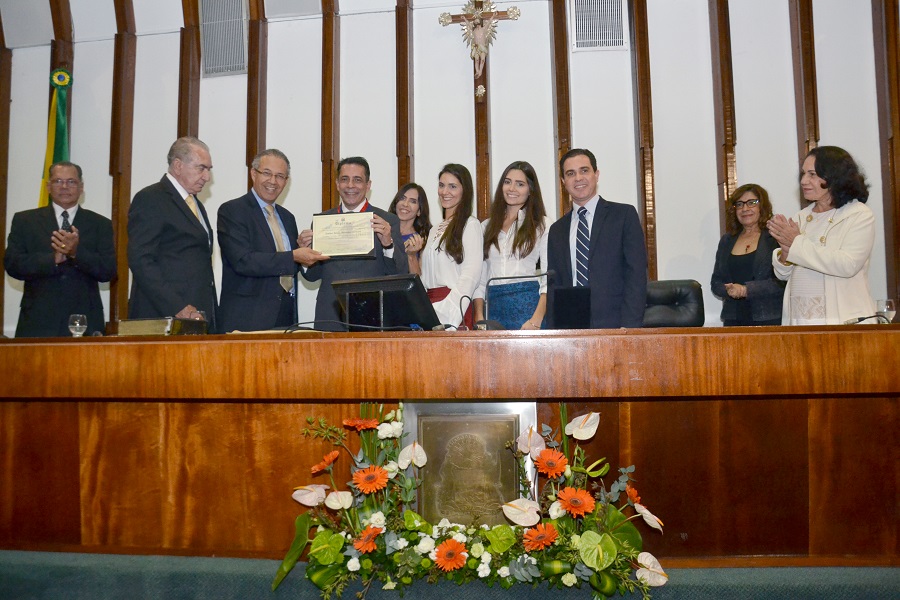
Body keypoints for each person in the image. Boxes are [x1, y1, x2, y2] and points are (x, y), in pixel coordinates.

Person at [767, 145, 877, 325]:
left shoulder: (858, 214)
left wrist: (795, 243)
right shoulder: (801, 217)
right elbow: (784, 275)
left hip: (842, 321)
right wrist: (785, 253)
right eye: (803, 174)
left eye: (812, 174)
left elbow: (848, 265)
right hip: (800, 320)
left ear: (834, 176)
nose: (804, 181)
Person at [4, 161, 115, 337]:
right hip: (37, 320)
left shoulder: (100, 224)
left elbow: (108, 271)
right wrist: (52, 259)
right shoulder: (25, 221)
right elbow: (12, 264)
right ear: (48, 186)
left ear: (81, 187)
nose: (64, 187)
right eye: (58, 181)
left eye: (71, 181)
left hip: (84, 320)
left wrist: (76, 253)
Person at [217, 149, 320, 333]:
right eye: (267, 173)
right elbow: (243, 261)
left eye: (280, 176)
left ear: (286, 181)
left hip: (285, 317)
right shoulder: (233, 211)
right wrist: (293, 256)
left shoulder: (288, 218)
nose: (273, 181)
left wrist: (303, 252)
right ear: (253, 173)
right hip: (247, 319)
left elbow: (289, 265)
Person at [299, 156, 407, 331]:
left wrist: (388, 245)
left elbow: (400, 273)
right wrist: (304, 255)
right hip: (329, 316)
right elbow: (312, 276)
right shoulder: (322, 222)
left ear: (368, 185)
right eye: (344, 179)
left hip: (372, 316)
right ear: (337, 184)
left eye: (357, 180)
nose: (350, 185)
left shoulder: (387, 221)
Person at [546, 148, 648, 328]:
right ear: (563, 182)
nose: (578, 178)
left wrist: (630, 328)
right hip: (571, 328)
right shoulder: (557, 230)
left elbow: (636, 275)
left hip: (616, 325)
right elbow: (555, 287)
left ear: (596, 174)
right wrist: (556, 334)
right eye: (570, 173)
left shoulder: (623, 216)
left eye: (584, 170)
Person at [127, 136, 219, 332]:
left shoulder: (195, 204)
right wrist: (177, 307)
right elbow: (141, 260)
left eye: (209, 169)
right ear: (178, 166)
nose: (207, 177)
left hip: (194, 317)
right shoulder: (151, 198)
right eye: (201, 168)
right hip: (162, 319)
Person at [473, 161, 549, 330]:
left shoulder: (542, 224)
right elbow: (480, 279)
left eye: (520, 184)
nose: (512, 188)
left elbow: (548, 280)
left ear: (530, 190)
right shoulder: (485, 226)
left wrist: (536, 320)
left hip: (528, 308)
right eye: (507, 182)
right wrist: (479, 317)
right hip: (493, 309)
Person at [710, 183, 784, 326]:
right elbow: (716, 282)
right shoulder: (727, 240)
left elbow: (782, 282)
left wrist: (746, 290)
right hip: (733, 319)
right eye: (739, 204)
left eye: (751, 203)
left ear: (762, 206)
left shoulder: (775, 237)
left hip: (768, 319)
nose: (745, 209)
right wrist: (729, 289)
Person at [420, 163, 483, 329]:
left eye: (452, 186)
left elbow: (471, 276)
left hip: (454, 308)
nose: (444, 192)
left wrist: (448, 311)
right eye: (441, 185)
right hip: (430, 307)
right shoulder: (434, 230)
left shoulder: (470, 225)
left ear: (465, 191)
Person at [388, 183, 431, 276]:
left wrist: (411, 256)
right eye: (402, 198)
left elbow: (420, 280)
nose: (405, 204)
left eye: (413, 201)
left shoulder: (424, 238)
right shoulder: (384, 231)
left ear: (419, 211)